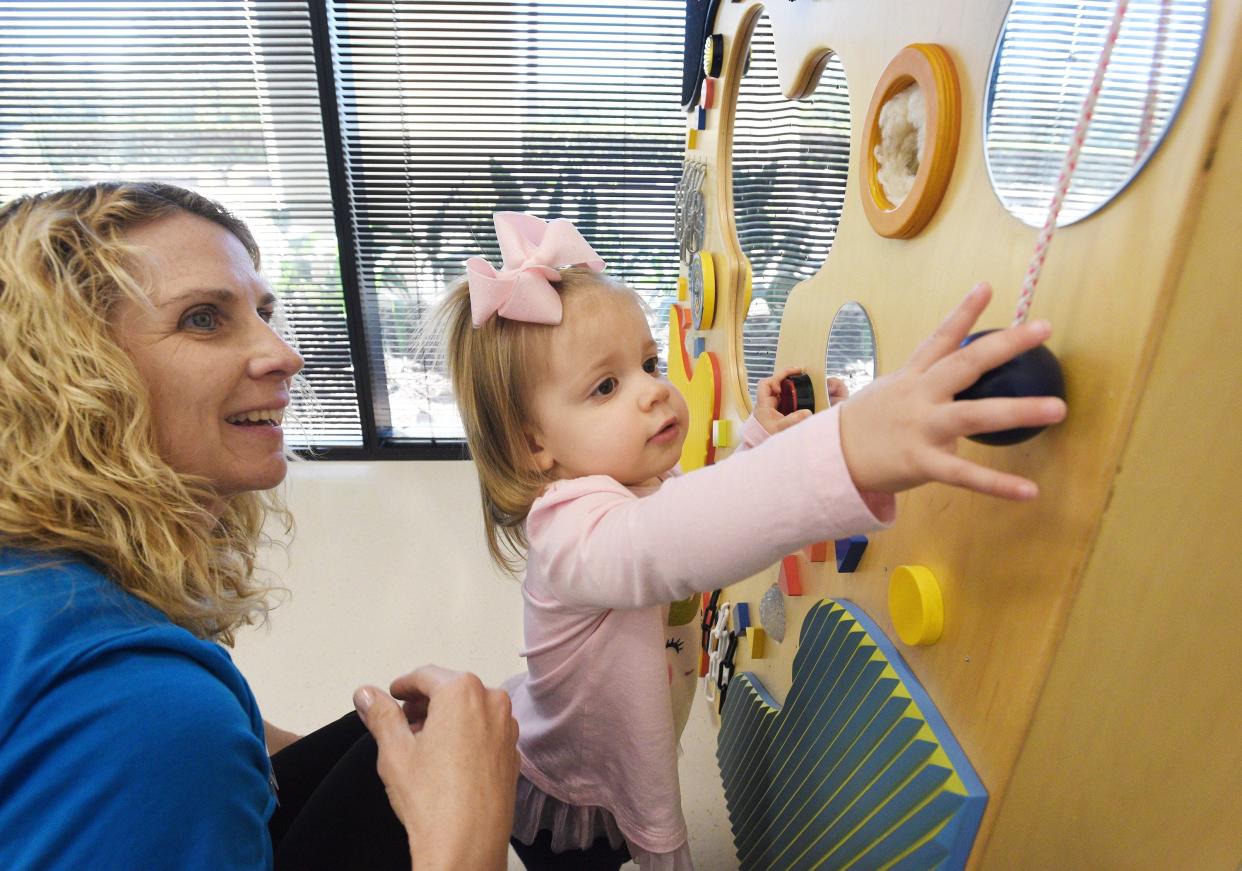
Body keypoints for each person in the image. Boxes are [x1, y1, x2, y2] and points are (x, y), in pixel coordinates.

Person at [434, 212, 1067, 870]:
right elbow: (675, 540)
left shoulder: (639, 479)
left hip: (624, 737)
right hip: (567, 784)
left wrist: (762, 440)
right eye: (606, 386)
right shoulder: (568, 533)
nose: (654, 392)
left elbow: (698, 500)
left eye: (648, 363)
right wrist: (846, 449)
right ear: (534, 445)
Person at [0, 182, 519, 871]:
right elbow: (175, 738)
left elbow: (223, 736)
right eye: (204, 319)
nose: (284, 354)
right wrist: (464, 832)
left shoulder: (61, 582)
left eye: (264, 312)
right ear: (70, 375)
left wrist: (401, 761)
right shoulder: (149, 715)